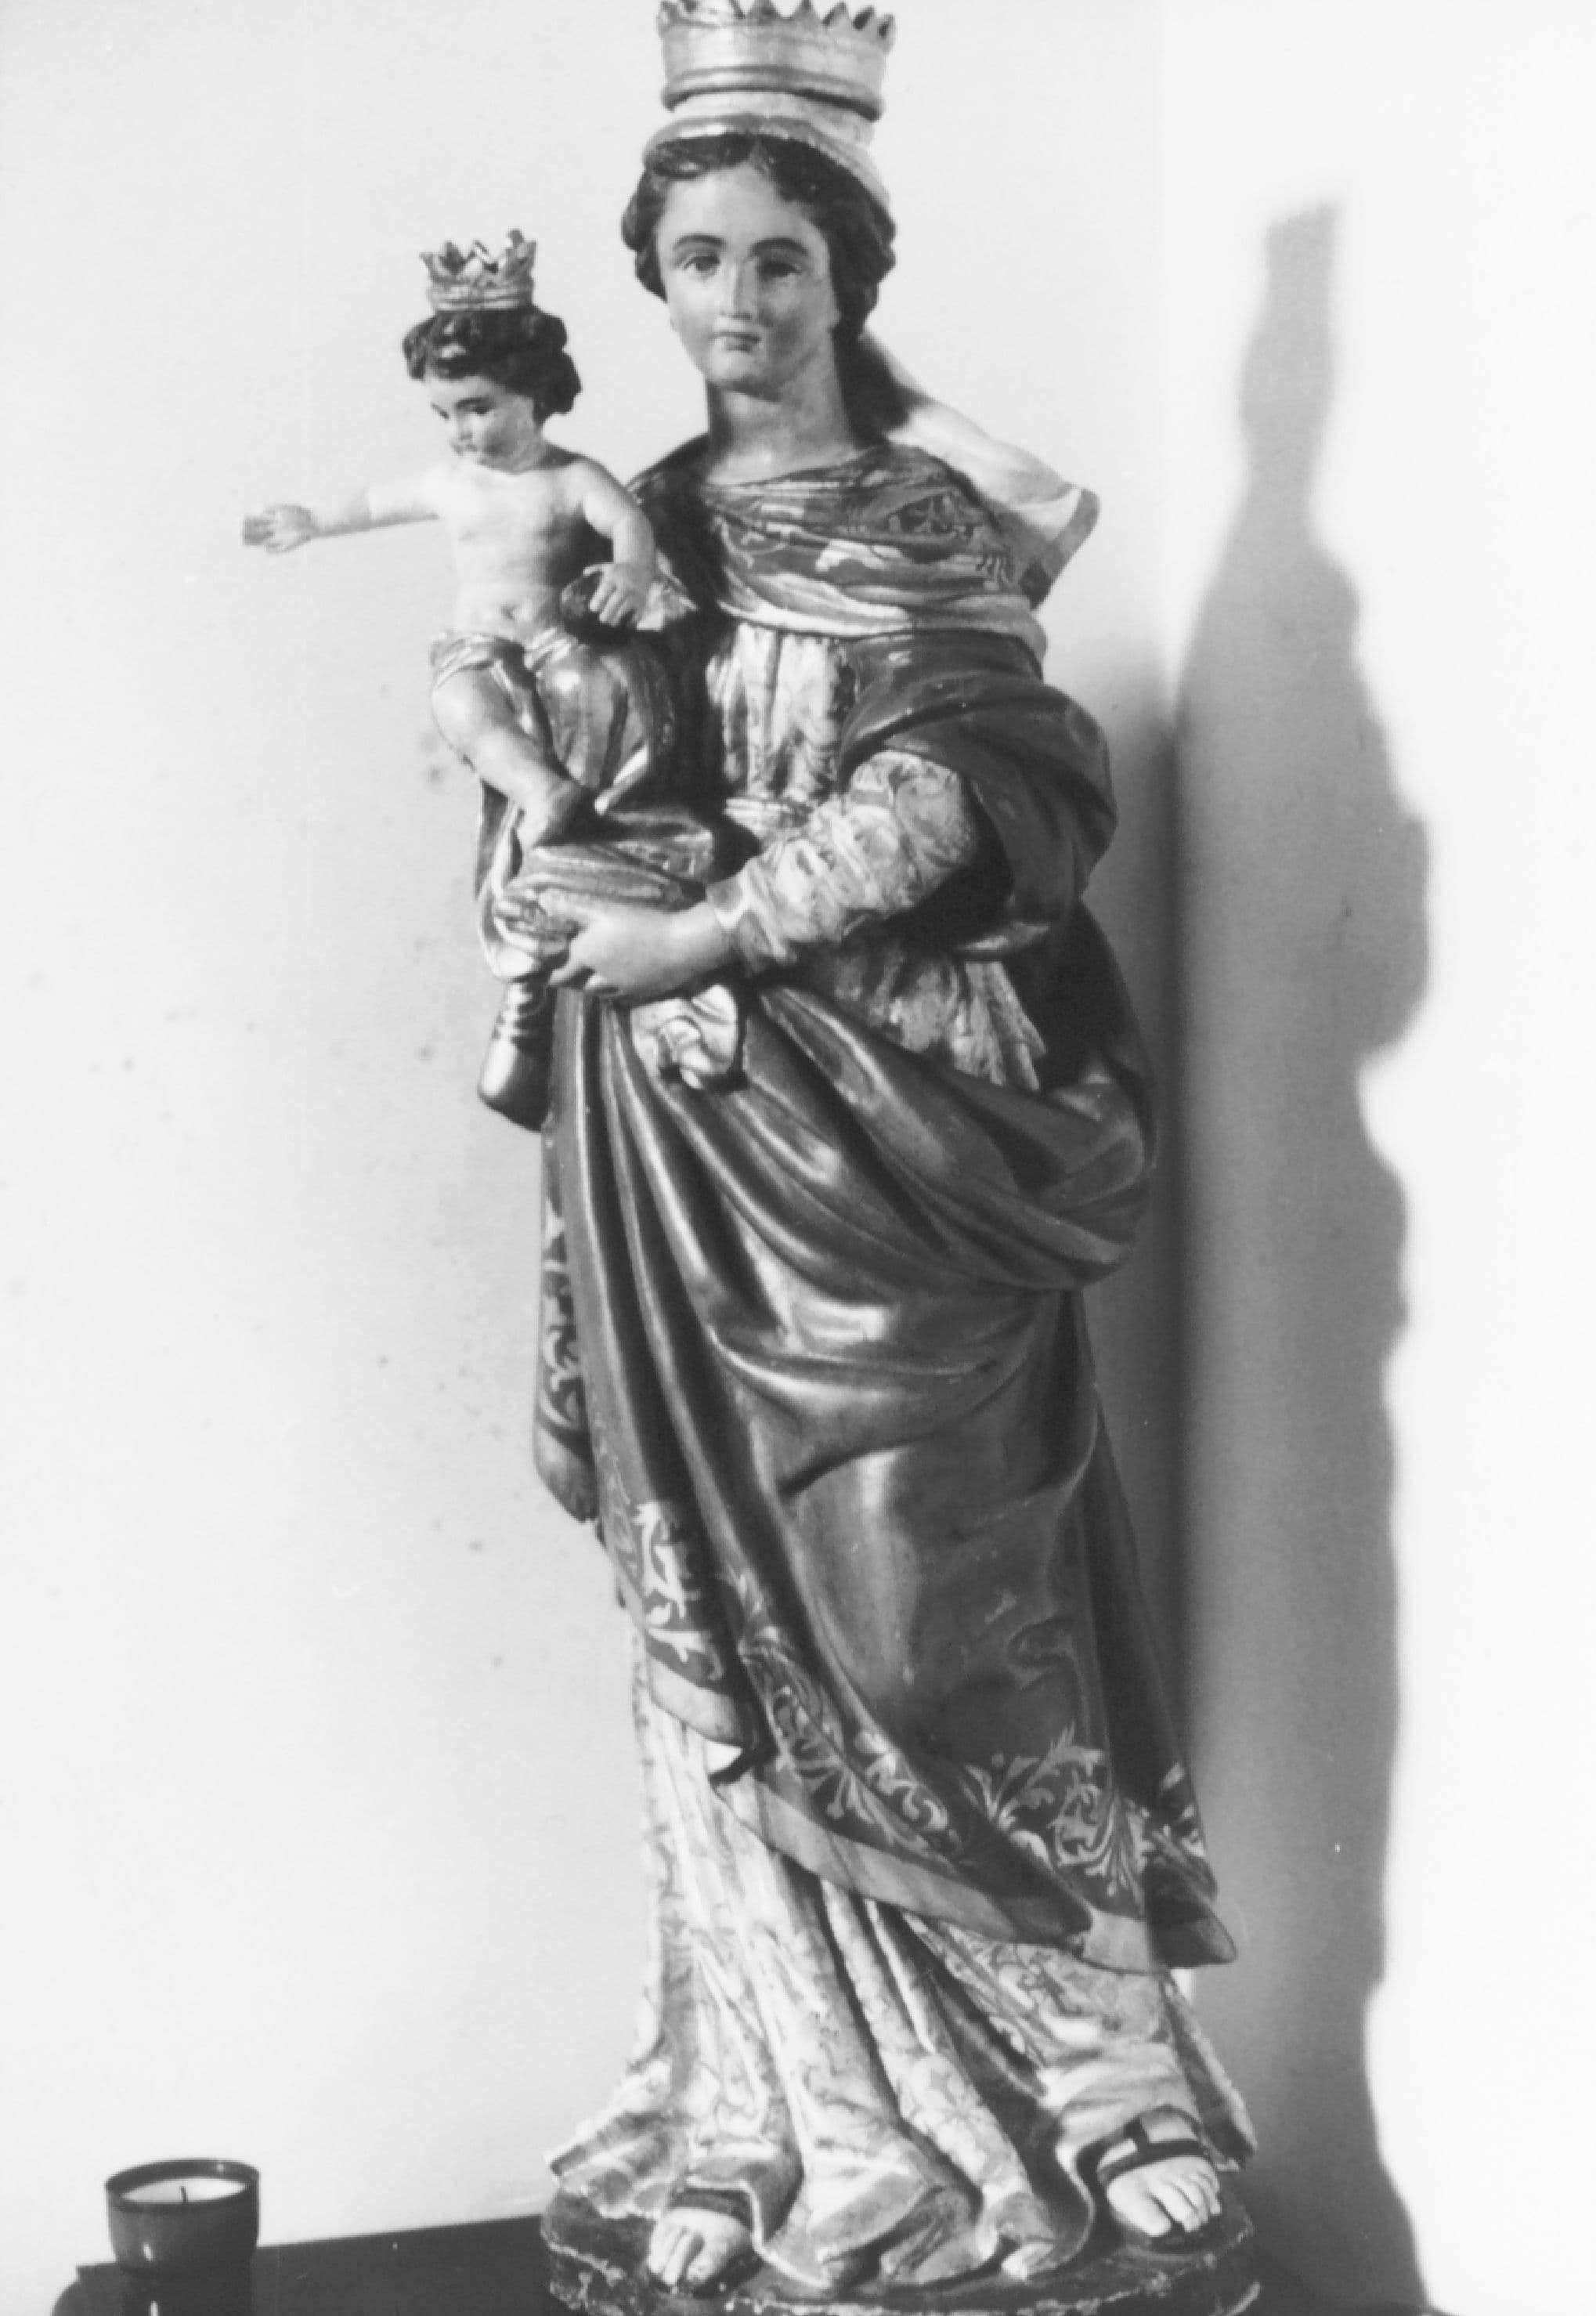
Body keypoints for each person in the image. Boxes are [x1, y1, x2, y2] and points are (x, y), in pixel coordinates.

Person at [495, 6, 1255, 2299]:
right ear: (653, 279)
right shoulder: (625, 535)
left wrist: (712, 922)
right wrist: (544, 871)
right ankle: (769, 2097)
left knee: (952, 1617)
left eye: (778, 258)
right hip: (673, 1141)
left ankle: (1102, 2086)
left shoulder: (924, 526)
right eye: (696, 259)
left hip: (901, 1143)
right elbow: (561, 805)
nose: (735, 300)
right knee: (714, 1638)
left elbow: (972, 789)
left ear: (847, 276)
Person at [245, 235, 674, 1123]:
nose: (461, 431)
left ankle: (570, 830)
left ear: (535, 392)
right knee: (462, 708)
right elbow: (376, 504)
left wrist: (630, 574)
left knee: (596, 694)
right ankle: (542, 790)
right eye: (445, 412)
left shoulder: (572, 479)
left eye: (477, 407)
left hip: (557, 647)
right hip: (478, 648)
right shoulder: (451, 482)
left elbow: (630, 526)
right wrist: (313, 521)